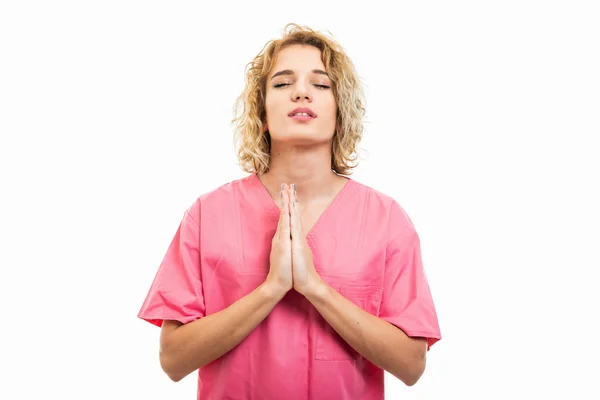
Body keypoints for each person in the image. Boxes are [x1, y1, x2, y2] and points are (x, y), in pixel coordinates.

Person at [137, 23, 441, 399]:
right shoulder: (207, 216)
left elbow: (411, 365)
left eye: (321, 84)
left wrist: (315, 288)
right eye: (282, 84)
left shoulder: (386, 219)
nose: (301, 92)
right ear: (262, 113)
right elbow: (173, 360)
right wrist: (272, 289)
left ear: (340, 111)